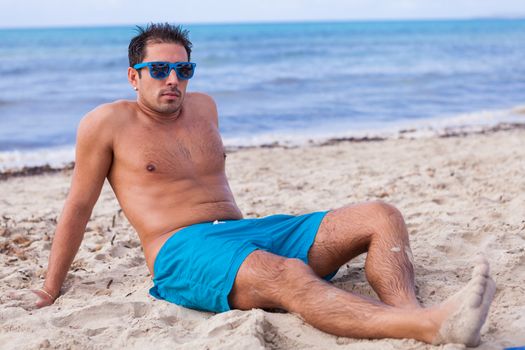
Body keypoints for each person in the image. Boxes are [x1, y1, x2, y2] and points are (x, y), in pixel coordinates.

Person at [25, 23, 495, 346]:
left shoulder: (204, 108)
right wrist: (49, 289)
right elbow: (78, 207)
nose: (174, 80)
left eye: (183, 70)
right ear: (134, 75)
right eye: (160, 70)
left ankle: (414, 315)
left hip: (245, 232)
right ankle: (427, 326)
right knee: (288, 275)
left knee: (380, 215)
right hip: (181, 250)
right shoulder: (105, 124)